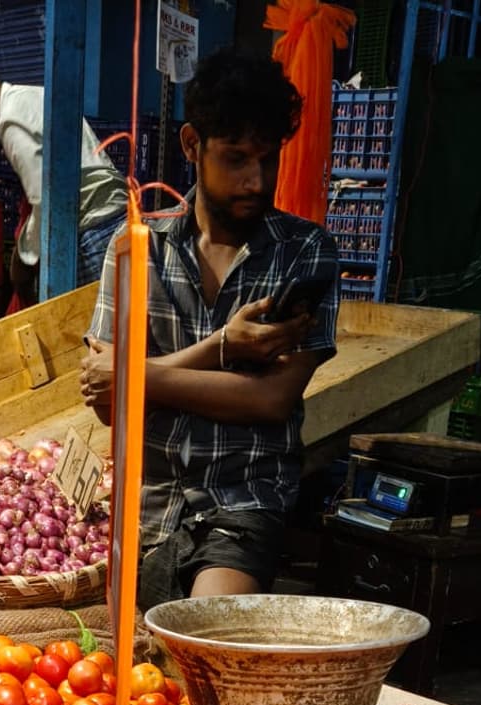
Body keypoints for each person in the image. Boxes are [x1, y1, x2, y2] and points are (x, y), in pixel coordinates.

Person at [79, 50, 340, 608]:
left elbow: (270, 400)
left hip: (243, 500)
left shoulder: (305, 252)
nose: (256, 179)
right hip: (148, 506)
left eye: (268, 160)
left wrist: (128, 375)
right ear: (193, 145)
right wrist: (226, 348)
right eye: (237, 158)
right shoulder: (135, 251)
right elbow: (107, 406)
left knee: (198, 641)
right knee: (127, 671)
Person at [0, 53, 127, 305]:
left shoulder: (11, 121)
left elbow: (47, 200)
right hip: (117, 220)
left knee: (100, 334)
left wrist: (24, 262)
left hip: (95, 230)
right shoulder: (34, 96)